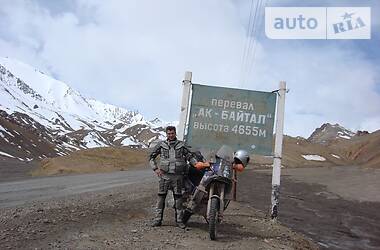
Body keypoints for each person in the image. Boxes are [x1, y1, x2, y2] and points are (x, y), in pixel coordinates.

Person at [149, 126, 198, 228]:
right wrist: (155, 169)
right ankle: (158, 219)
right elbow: (151, 157)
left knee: (178, 200)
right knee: (161, 198)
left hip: (178, 177)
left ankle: (179, 221)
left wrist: (197, 165)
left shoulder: (181, 145)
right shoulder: (161, 145)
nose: (170, 135)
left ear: (175, 133)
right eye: (168, 133)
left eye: (172, 133)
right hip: (164, 176)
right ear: (166, 134)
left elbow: (190, 156)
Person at [183, 148, 250, 223]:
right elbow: (201, 162)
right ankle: (185, 217)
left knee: (227, 195)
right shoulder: (214, 158)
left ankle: (216, 214)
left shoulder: (229, 163)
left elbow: (238, 167)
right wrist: (206, 162)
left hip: (222, 178)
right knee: (199, 192)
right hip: (209, 175)